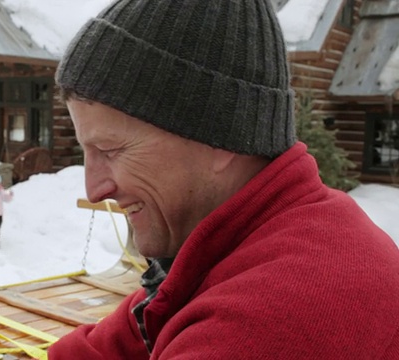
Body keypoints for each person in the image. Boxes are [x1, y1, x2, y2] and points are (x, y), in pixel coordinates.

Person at [48, 0, 399, 359]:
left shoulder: (271, 318)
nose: (94, 190)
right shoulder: (229, 247)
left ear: (219, 139)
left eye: (110, 150)